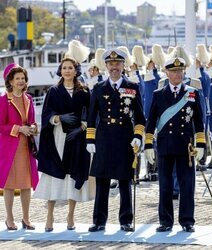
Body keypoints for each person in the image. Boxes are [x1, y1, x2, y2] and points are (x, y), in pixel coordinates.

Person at [86, 48, 146, 232]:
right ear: (106, 66)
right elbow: (91, 116)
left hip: (124, 137)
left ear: (123, 65)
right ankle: (99, 221)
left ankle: (126, 220)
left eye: (118, 64)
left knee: (125, 180)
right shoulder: (98, 88)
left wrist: (137, 137)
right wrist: (90, 139)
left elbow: (140, 117)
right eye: (111, 64)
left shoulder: (132, 87)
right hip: (104, 137)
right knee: (102, 181)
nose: (114, 67)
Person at [144, 57, 206, 233]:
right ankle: (165, 221)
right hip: (164, 146)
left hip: (186, 147)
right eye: (173, 71)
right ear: (167, 73)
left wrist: (200, 143)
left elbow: (199, 121)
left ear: (184, 72)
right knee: (165, 185)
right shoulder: (158, 94)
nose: (177, 74)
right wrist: (148, 144)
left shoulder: (192, 93)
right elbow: (151, 121)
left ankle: (187, 221)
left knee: (187, 185)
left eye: (180, 71)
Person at [33, 52, 91, 231]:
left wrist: (81, 128)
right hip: (57, 137)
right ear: (60, 70)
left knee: (72, 177)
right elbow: (46, 114)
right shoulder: (53, 91)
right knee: (54, 175)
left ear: (76, 71)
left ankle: (70, 216)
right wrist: (58, 118)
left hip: (76, 139)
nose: (67, 71)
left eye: (70, 68)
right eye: (64, 68)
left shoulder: (84, 92)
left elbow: (88, 114)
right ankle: (49, 217)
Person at [0, 63, 39, 230]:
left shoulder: (28, 99)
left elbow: (31, 121)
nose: (21, 81)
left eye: (23, 78)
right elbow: (1, 125)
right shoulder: (3, 100)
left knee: (26, 184)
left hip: (25, 147)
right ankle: (9, 219)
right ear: (10, 80)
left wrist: (34, 128)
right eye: (17, 79)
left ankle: (26, 218)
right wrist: (18, 129)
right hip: (9, 147)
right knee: (9, 185)